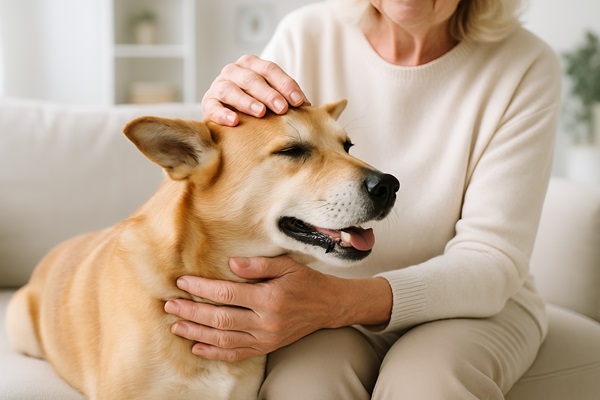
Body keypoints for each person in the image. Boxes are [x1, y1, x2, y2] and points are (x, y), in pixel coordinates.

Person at [163, 0, 561, 398]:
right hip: (315, 302)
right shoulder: (306, 34)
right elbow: (238, 177)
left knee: (426, 385)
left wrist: (340, 301)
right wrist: (222, 122)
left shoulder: (525, 64)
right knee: (302, 389)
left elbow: (492, 260)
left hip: (472, 303)